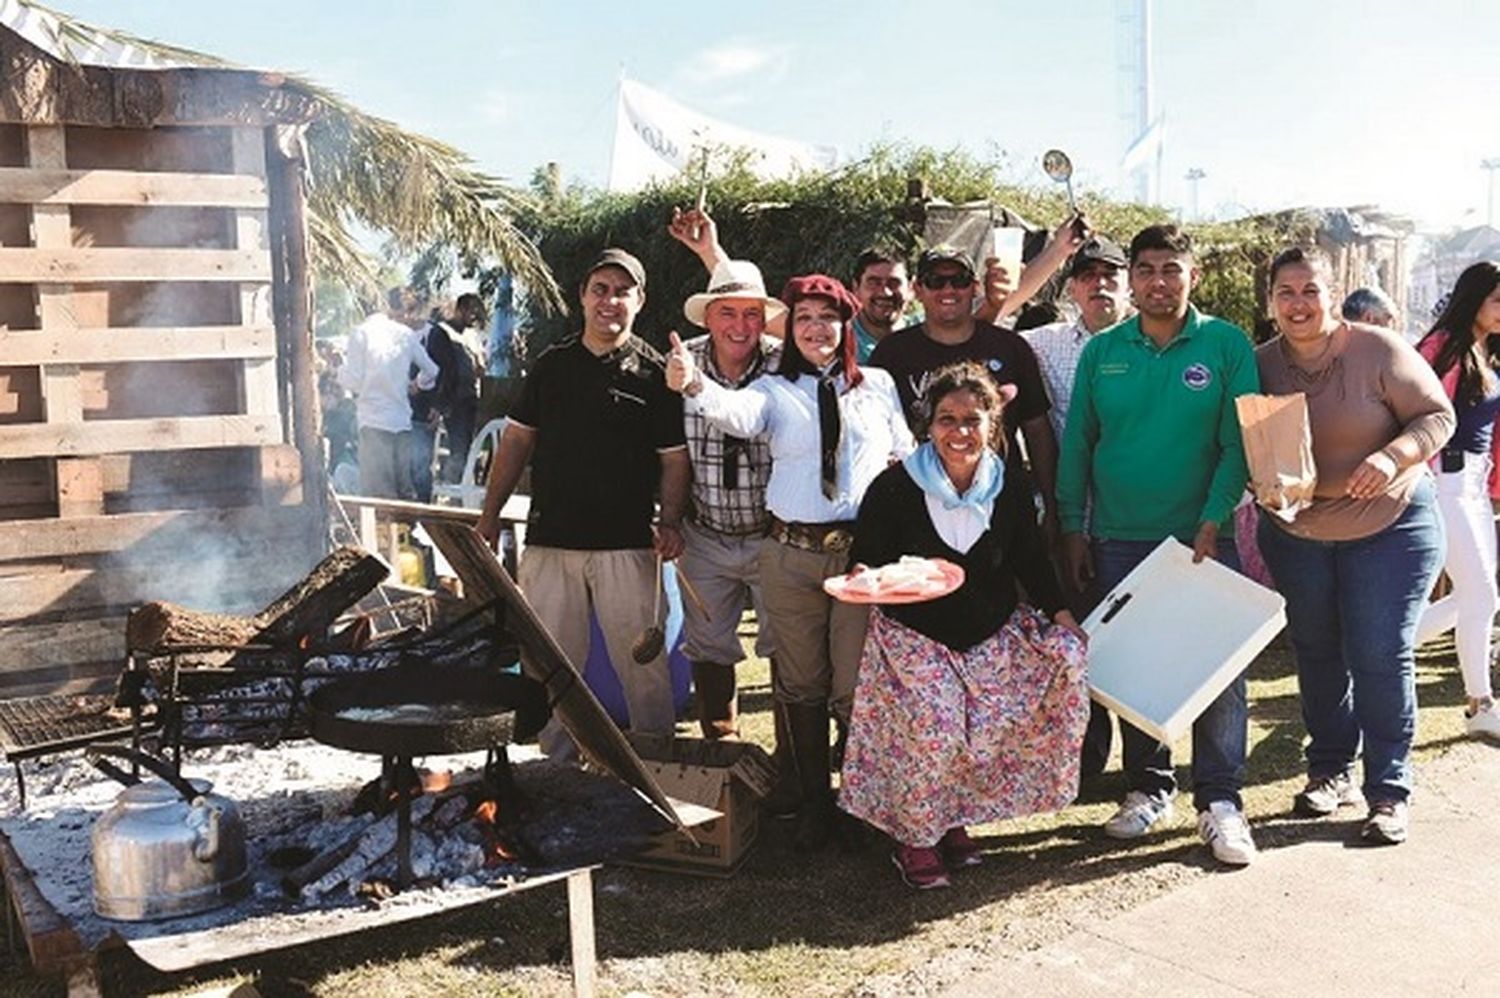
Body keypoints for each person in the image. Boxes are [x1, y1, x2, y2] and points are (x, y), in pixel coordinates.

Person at [665, 274, 914, 849]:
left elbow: (904, 455)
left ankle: (864, 798)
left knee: (853, 685)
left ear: (845, 325)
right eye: (804, 318)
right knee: (800, 683)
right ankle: (813, 803)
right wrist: (695, 384)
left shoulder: (876, 385)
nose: (816, 329)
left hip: (859, 558)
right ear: (791, 327)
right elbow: (736, 414)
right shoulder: (776, 390)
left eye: (827, 317)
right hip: (790, 554)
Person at [839, 362, 1090, 889]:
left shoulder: (1010, 487)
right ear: (928, 425)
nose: (959, 432)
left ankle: (952, 819)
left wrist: (1063, 617)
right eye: (946, 419)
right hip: (914, 633)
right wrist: (865, 578)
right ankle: (914, 839)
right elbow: (867, 561)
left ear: (992, 424)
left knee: (980, 733)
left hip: (987, 631)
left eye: (972, 420)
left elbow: (1029, 561)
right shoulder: (896, 486)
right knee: (934, 733)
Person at [1056, 223, 1261, 866]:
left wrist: (1211, 517)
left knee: (1217, 669)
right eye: (1146, 270)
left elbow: (1238, 443)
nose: (1157, 282)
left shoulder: (1226, 344)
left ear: (1191, 275)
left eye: (1171, 269)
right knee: (1141, 670)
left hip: (1203, 538)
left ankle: (1221, 800)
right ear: (1132, 279)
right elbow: (1079, 446)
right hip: (1118, 536)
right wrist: (1072, 528)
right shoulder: (1103, 351)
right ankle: (1149, 788)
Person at [1255, 246, 1454, 845]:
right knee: (1316, 652)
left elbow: (1436, 416)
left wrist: (1394, 455)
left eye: (1310, 290)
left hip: (1390, 527)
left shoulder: (1379, 349)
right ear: (1270, 301)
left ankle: (1389, 790)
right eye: (1286, 292)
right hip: (1298, 534)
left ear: (1334, 289)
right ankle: (1329, 770)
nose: (1298, 303)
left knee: (1377, 651)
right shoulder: (1257, 363)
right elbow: (1230, 435)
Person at [476, 248, 689, 757]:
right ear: (583, 298)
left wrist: (673, 521)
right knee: (549, 666)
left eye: (622, 291)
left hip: (627, 544)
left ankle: (658, 764)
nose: (609, 301)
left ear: (639, 301)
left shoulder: (655, 375)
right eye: (600, 290)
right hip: (551, 540)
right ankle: (557, 768)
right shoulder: (551, 367)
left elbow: (675, 461)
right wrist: (487, 520)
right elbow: (516, 443)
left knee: (643, 667)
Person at [1021, 234, 1132, 777]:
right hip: (1075, 520)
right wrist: (1049, 257)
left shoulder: (1154, 341)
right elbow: (989, 318)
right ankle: (1085, 759)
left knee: (1137, 642)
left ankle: (1145, 771)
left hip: (1142, 519)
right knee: (1080, 637)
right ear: (1071, 287)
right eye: (1087, 275)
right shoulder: (1041, 345)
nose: (1100, 284)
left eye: (1111, 274)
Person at [869, 246, 1060, 531]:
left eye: (959, 280)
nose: (948, 289)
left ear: (975, 288)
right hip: (917, 503)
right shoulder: (892, 353)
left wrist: (1053, 508)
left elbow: (1037, 430)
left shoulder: (1010, 347)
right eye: (935, 281)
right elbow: (872, 434)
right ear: (918, 290)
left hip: (999, 502)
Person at [674, 258, 785, 740]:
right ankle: (724, 750)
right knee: (708, 646)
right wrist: (669, 519)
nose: (740, 327)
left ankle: (791, 761)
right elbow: (666, 451)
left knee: (787, 647)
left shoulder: (786, 363)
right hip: (706, 532)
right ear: (708, 316)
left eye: (751, 314)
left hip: (775, 535)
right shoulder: (681, 365)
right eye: (728, 313)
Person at [1412, 262, 1500, 740]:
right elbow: (1416, 414)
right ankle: (1479, 703)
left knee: (1481, 599)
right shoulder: (1442, 347)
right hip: (1442, 480)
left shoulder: (1484, 349)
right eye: (1498, 300)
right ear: (1475, 299)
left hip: (1475, 485)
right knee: (1481, 595)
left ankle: (1478, 703)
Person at [338, 287, 439, 500]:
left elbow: (354, 380)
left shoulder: (360, 333)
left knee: (377, 495)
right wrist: (418, 384)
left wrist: (339, 373)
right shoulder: (405, 334)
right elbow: (432, 370)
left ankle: (383, 533)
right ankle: (404, 532)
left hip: (373, 422)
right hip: (401, 422)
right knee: (403, 490)